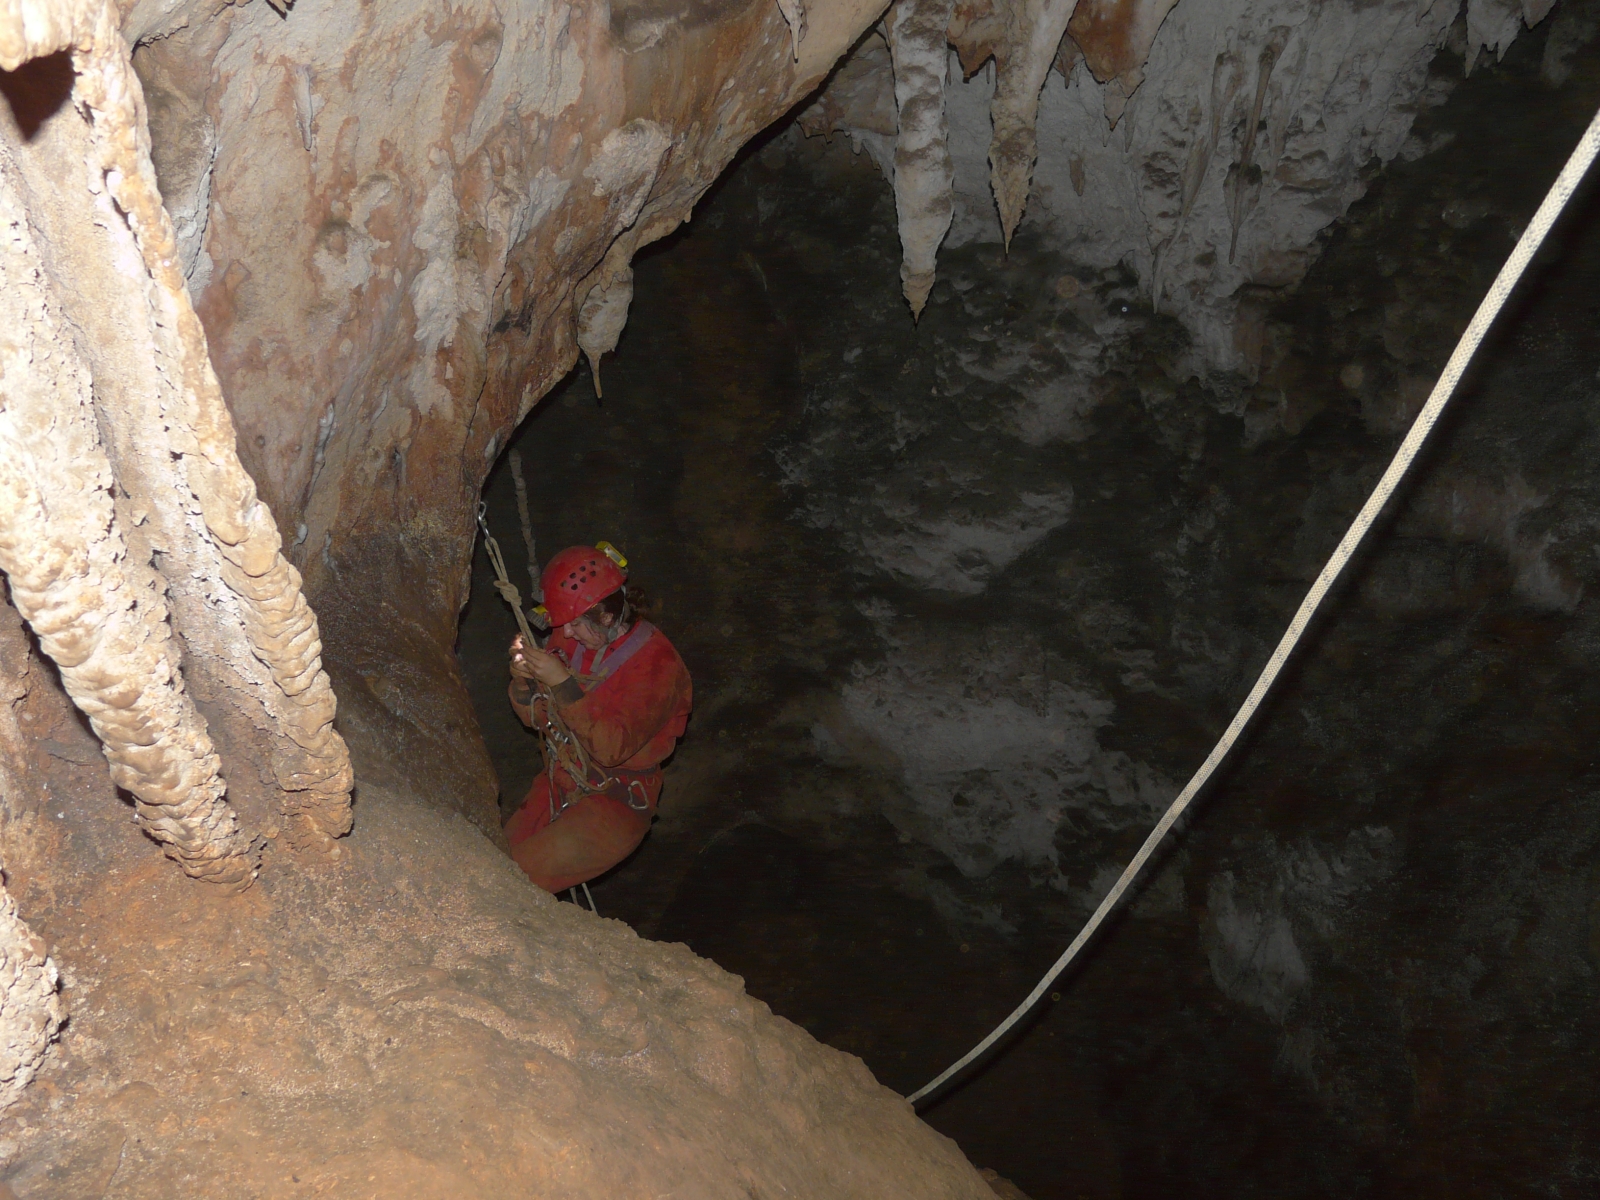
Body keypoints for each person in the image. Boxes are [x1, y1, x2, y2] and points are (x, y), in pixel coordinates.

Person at [504, 545, 691, 894]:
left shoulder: (658, 667)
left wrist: (562, 683)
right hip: (562, 777)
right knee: (493, 860)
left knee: (514, 881)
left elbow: (610, 749)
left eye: (575, 624)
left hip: (616, 801)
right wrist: (523, 683)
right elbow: (538, 720)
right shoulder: (573, 637)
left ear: (605, 617)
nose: (566, 633)